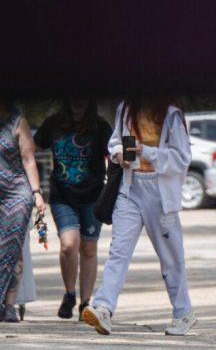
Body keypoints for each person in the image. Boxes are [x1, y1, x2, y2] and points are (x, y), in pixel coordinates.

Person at [82, 97, 197, 336]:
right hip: (129, 188)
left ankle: (183, 312)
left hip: (161, 193)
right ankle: (103, 308)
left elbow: (181, 158)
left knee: (171, 256)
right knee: (118, 251)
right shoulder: (125, 107)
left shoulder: (172, 114)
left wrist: (146, 151)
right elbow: (114, 142)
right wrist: (118, 154)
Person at [34, 99, 112, 318]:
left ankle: (85, 303)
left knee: (88, 248)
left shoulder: (100, 126)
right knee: (69, 244)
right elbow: (30, 149)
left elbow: (116, 154)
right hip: (62, 196)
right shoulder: (53, 124)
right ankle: (69, 293)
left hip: (93, 196)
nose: (78, 102)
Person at [0, 103, 45, 322]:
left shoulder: (18, 121)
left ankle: (8, 305)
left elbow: (28, 159)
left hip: (15, 193)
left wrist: (37, 193)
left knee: (11, 246)